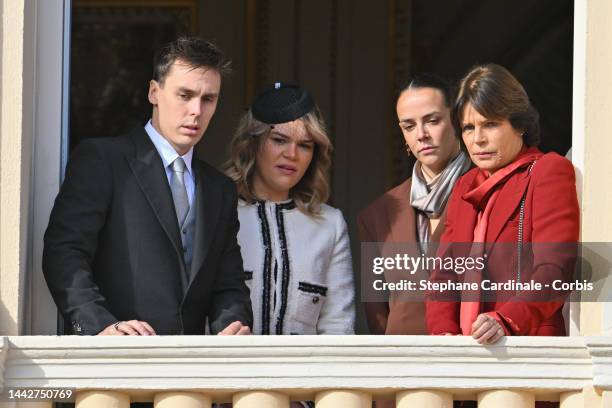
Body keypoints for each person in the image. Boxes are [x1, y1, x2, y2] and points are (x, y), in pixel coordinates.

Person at [43, 37, 252, 336]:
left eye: (208, 99)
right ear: (154, 92)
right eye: (185, 95)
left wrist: (233, 327)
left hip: (192, 371)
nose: (196, 110)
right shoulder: (103, 160)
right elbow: (64, 253)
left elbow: (228, 283)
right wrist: (99, 326)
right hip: (112, 364)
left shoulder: (220, 189)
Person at [426, 63, 579, 345]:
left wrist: (506, 320)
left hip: (526, 347)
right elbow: (444, 275)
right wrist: (444, 339)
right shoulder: (465, 185)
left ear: (519, 124)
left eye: (491, 124)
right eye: (468, 128)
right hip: (466, 351)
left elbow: (556, 268)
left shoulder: (548, 171)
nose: (478, 139)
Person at [225, 82, 355, 335]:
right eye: (279, 140)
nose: (292, 154)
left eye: (305, 145)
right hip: (228, 371)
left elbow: (338, 326)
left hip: (307, 373)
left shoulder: (330, 224)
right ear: (253, 142)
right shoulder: (219, 213)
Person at [358, 74, 471, 336]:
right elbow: (377, 315)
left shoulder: (488, 192)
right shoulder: (377, 213)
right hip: (402, 366)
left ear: (457, 121)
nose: (421, 135)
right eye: (409, 126)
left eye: (432, 120)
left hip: (474, 358)